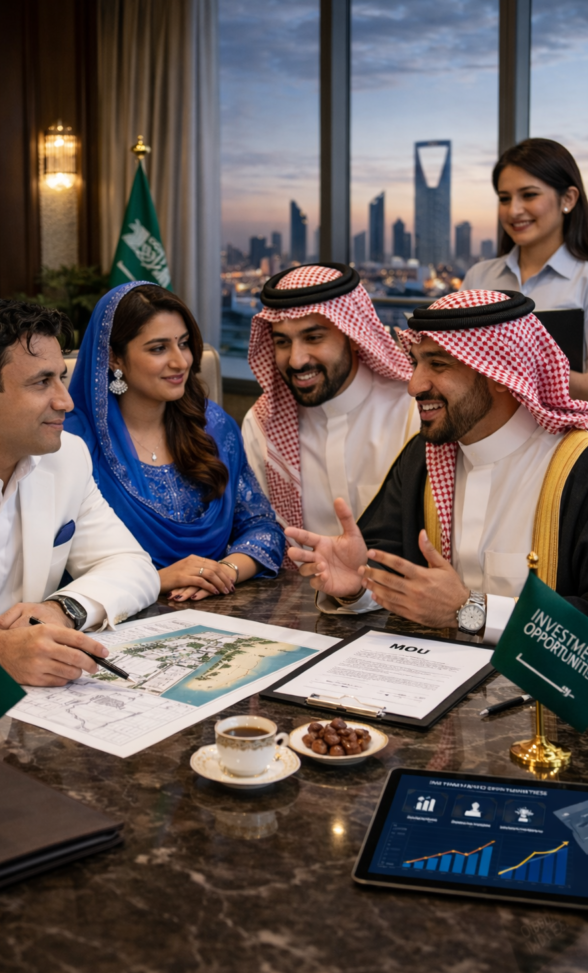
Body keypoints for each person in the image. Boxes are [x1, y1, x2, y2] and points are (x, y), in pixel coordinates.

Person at [285, 289, 588, 644]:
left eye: (438, 365)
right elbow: (388, 567)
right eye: (415, 363)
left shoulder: (577, 467)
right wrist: (358, 585)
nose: (414, 385)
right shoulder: (425, 457)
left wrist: (470, 610)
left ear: (499, 375)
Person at [0, 299, 160, 685]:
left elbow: (132, 564)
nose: (65, 401)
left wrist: (62, 609)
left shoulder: (67, 457)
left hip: (28, 707)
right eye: (42, 382)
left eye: (61, 377)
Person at [65, 282, 284, 602]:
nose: (181, 362)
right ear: (114, 358)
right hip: (112, 621)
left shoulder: (213, 427)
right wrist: (158, 580)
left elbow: (262, 528)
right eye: (158, 348)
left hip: (218, 609)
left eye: (183, 344)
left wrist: (221, 572)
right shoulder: (74, 443)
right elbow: (58, 569)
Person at [242, 263, 419, 539]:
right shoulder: (262, 424)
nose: (296, 360)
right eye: (283, 342)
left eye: (313, 338)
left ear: (353, 337)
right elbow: (257, 531)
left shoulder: (412, 411)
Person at [463, 138, 588, 399]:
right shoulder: (480, 276)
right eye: (504, 198)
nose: (514, 210)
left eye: (529, 195)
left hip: (567, 437)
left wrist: (519, 367)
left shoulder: (583, 278)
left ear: (568, 198)